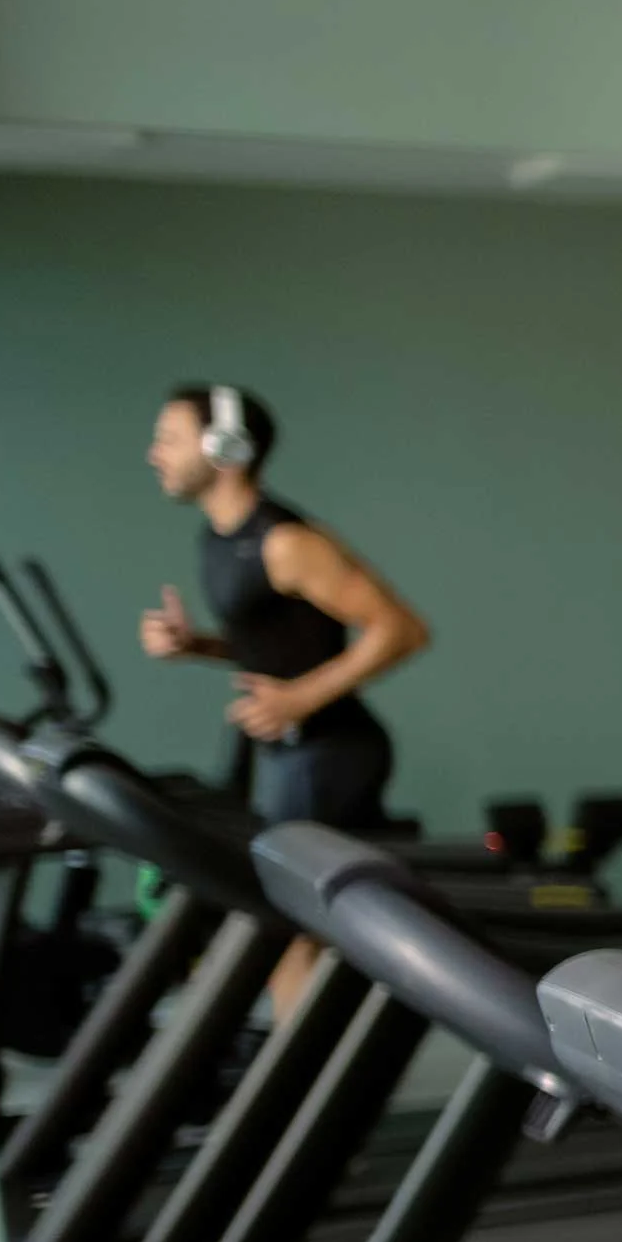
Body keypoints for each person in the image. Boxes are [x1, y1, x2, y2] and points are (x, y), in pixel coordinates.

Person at [138, 382, 433, 1009]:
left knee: (290, 930)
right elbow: (281, 641)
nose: (153, 454)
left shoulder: (285, 542)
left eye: (168, 439)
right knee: (285, 925)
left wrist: (300, 698)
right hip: (284, 751)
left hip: (330, 751)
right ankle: (303, 1073)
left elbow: (401, 629)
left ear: (225, 447)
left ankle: (305, 1083)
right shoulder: (220, 537)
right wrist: (199, 646)